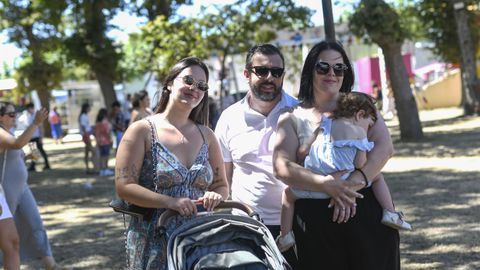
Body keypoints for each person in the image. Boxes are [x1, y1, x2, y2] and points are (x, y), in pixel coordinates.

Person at [273, 40, 400, 269]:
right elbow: (281, 166)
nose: (332, 73)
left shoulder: (362, 104)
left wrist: (351, 184)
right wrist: (326, 185)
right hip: (315, 223)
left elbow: (384, 148)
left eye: (339, 68)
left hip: (365, 207)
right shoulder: (291, 116)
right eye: (323, 67)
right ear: (310, 70)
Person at [115, 57, 229, 269]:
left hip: (199, 240)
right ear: (169, 83)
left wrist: (216, 195)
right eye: (188, 80)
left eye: (201, 85)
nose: (194, 88)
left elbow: (221, 185)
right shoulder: (141, 130)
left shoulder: (207, 135)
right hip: (154, 239)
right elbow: (124, 187)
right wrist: (170, 202)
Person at [276, 91, 411, 252]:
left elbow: (302, 151)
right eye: (369, 124)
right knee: (377, 177)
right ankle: (390, 213)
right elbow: (361, 165)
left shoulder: (324, 124)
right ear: (360, 114)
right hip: (346, 181)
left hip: (317, 186)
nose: (368, 129)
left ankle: (285, 236)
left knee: (288, 196)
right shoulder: (360, 134)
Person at [214, 43, 299, 266]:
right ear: (246, 74)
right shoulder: (228, 118)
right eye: (261, 71)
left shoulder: (300, 113)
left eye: (277, 72)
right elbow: (223, 179)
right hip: (247, 226)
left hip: (299, 223)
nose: (270, 77)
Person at [0, 101, 65, 270]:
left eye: (15, 113)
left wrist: (30, 155)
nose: (15, 117)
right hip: (7, 190)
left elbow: (19, 152)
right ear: (0, 117)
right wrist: (35, 123)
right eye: (11, 114)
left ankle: (49, 263)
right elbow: (16, 144)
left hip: (23, 188)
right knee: (7, 236)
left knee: (36, 223)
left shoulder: (9, 132)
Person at [18, 103, 50, 171]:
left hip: (36, 137)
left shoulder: (36, 116)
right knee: (34, 151)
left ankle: (46, 164)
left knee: (41, 151)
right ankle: (33, 165)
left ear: (31, 108)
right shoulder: (27, 116)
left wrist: (41, 137)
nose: (28, 110)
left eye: (29, 108)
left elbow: (41, 127)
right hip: (31, 137)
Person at [78, 103, 97, 174]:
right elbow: (83, 126)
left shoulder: (84, 116)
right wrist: (86, 134)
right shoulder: (83, 116)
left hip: (87, 135)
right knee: (93, 152)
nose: (90, 109)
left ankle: (87, 169)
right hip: (86, 135)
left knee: (87, 152)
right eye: (89, 107)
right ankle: (94, 168)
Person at [94, 108, 113, 176]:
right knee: (106, 156)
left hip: (99, 141)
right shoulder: (105, 121)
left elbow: (96, 132)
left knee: (102, 156)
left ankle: (102, 170)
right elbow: (107, 132)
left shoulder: (97, 122)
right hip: (105, 141)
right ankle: (106, 169)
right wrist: (110, 139)